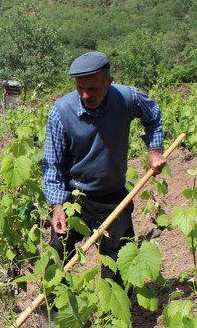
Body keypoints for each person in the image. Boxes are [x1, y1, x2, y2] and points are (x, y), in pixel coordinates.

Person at [42, 51, 166, 285]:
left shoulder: (128, 98)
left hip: (114, 196)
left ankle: (114, 319)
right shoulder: (61, 112)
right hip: (74, 196)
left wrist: (155, 149)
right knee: (57, 256)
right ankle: (56, 316)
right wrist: (57, 206)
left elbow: (153, 115)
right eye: (80, 88)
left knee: (118, 261)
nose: (86, 94)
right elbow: (52, 165)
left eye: (93, 89)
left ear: (109, 82)